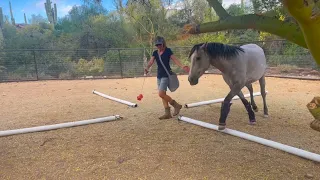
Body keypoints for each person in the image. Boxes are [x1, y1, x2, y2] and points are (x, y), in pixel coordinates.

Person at [144, 36, 190, 119]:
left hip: (166, 75)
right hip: (159, 75)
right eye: (157, 45)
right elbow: (151, 61)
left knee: (161, 94)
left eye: (160, 44)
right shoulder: (155, 53)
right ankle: (167, 113)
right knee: (163, 95)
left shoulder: (168, 51)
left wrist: (182, 66)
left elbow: (175, 59)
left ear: (163, 43)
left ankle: (176, 105)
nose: (158, 46)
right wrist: (147, 68)